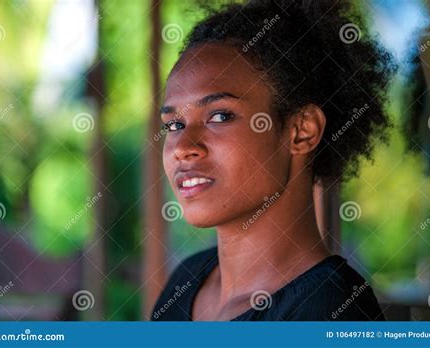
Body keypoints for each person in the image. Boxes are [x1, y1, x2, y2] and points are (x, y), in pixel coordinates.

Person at [152, 0, 395, 321]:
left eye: (220, 116)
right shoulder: (187, 281)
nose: (183, 147)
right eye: (174, 125)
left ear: (301, 131)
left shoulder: (332, 311)